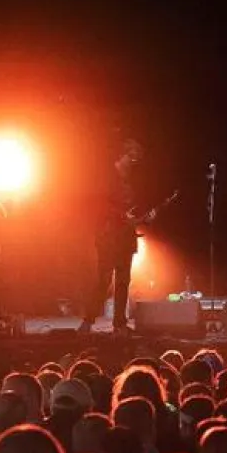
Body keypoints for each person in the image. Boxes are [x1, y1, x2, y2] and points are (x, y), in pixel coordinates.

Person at [82, 138, 154, 334]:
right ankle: (88, 320)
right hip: (108, 235)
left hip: (126, 236)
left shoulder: (132, 180)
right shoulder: (106, 176)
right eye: (132, 157)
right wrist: (122, 216)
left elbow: (135, 206)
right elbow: (99, 204)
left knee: (123, 281)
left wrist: (145, 217)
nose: (134, 162)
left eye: (137, 159)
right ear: (122, 155)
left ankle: (119, 323)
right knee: (104, 280)